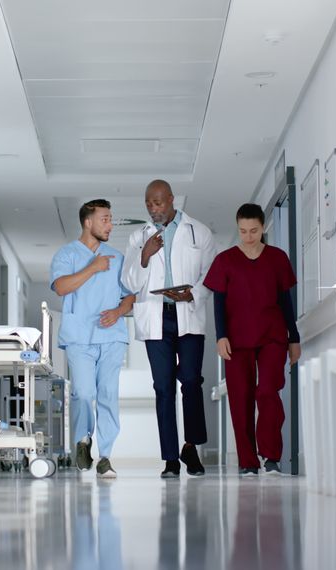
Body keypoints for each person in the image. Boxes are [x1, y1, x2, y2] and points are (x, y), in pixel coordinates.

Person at [122, 179, 216, 478]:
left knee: (191, 381)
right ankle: (171, 459)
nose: (153, 208)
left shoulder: (199, 232)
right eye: (149, 203)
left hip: (188, 314)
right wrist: (145, 255)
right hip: (155, 318)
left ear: (172, 200)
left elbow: (210, 274)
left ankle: (191, 446)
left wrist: (193, 294)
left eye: (158, 202)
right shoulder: (139, 238)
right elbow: (130, 283)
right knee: (163, 389)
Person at [202, 203, 301, 476]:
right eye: (243, 231)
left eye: (254, 231)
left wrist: (294, 338)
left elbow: (286, 301)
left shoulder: (278, 258)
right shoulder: (225, 260)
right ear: (238, 228)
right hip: (237, 338)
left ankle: (270, 456)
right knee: (240, 398)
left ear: (263, 228)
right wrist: (221, 336)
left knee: (268, 391)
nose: (248, 236)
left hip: (272, 335)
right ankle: (248, 461)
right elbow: (219, 303)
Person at [51, 199, 136, 479]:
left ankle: (106, 457)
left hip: (111, 337)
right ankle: (83, 441)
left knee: (108, 395)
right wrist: (92, 268)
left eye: (111, 219)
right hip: (79, 337)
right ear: (88, 222)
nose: (110, 225)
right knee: (83, 393)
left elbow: (130, 297)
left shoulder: (116, 257)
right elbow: (61, 287)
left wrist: (118, 311)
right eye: (105, 219)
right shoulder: (66, 255)